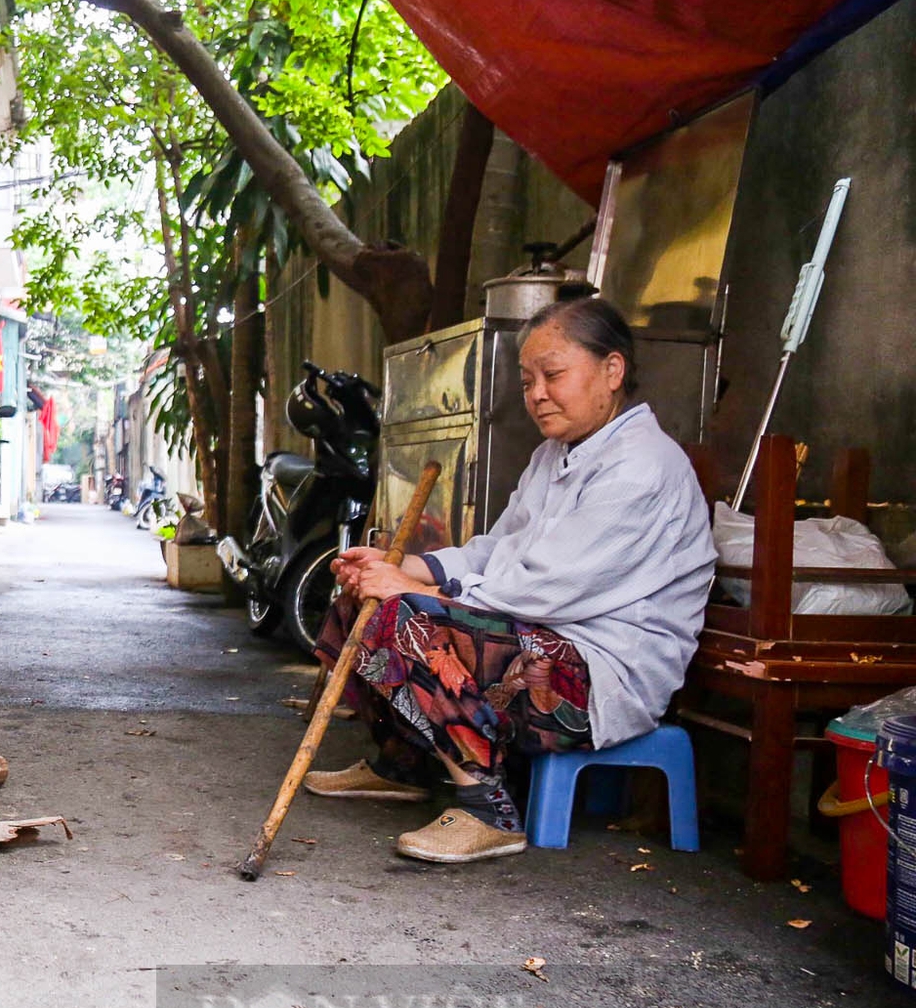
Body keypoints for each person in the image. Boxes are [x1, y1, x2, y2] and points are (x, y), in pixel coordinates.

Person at [303, 295, 715, 863]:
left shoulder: (642, 467)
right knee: (364, 596)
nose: (538, 394)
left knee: (405, 617)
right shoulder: (558, 454)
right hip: (544, 635)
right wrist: (403, 570)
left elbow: (544, 589)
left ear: (612, 371)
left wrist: (416, 593)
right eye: (527, 381)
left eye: (553, 375)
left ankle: (486, 808)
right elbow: (502, 550)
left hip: (599, 672)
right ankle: (404, 765)